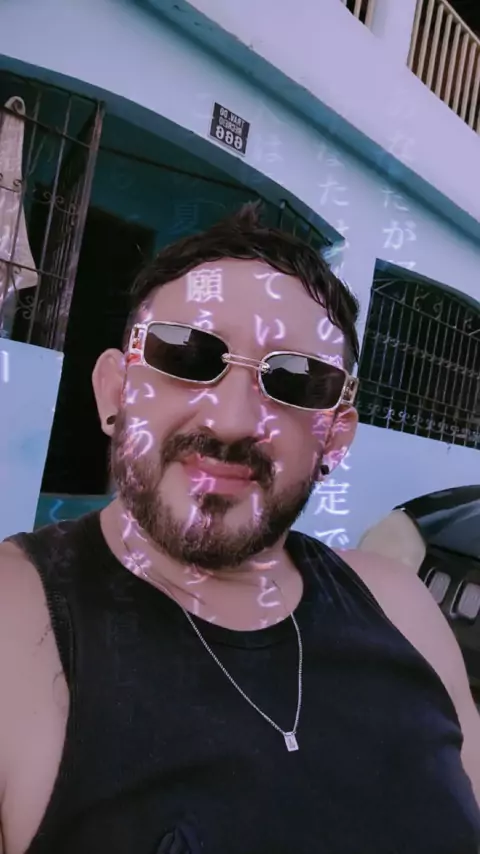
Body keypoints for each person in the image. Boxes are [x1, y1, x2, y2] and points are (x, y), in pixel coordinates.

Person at [0, 203, 479, 854]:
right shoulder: (17, 622)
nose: (230, 420)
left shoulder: (401, 608)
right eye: (186, 353)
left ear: (335, 437)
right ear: (115, 390)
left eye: (296, 381)